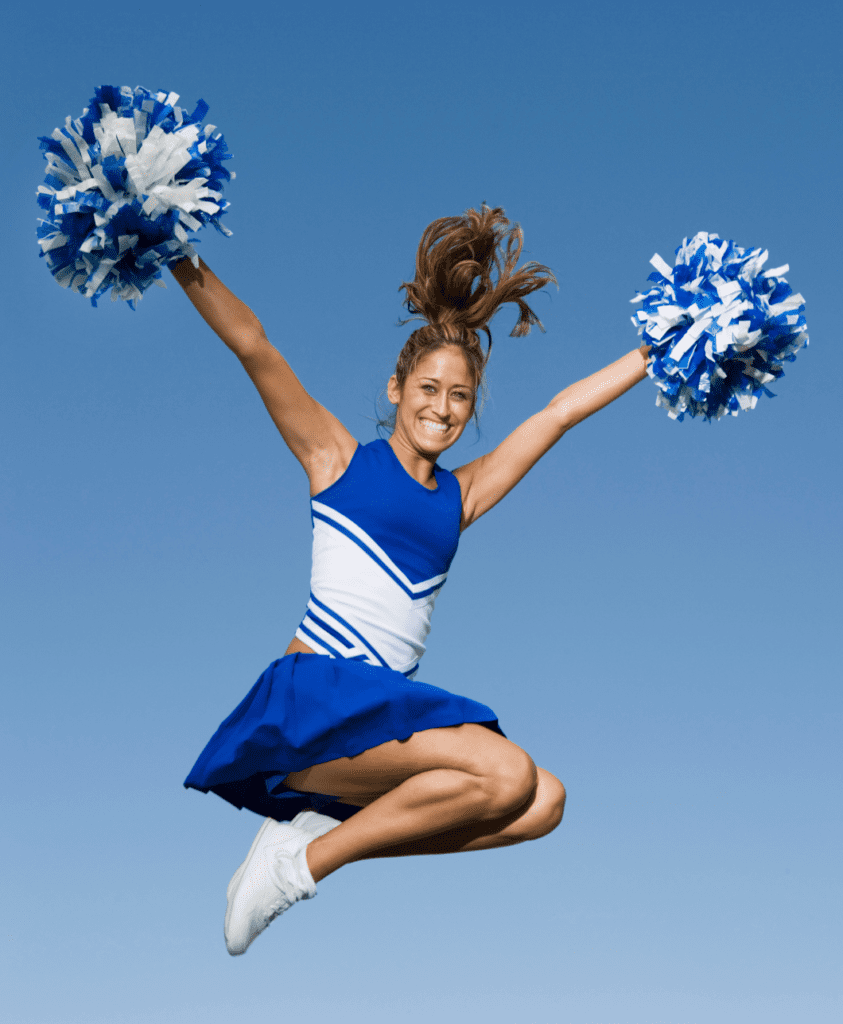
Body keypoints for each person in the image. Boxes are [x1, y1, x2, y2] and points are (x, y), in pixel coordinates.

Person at [175, 204, 650, 955]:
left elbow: (559, 413)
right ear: (396, 389)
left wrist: (658, 349)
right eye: (427, 388)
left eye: (459, 397)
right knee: (506, 774)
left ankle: (314, 839)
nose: (442, 407)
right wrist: (172, 248)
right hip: (317, 700)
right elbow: (252, 344)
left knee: (541, 805)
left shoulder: (460, 498)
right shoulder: (336, 459)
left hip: (382, 721)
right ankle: (300, 866)